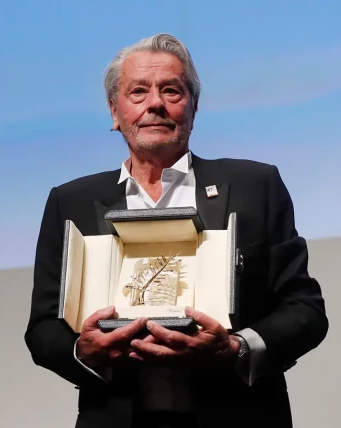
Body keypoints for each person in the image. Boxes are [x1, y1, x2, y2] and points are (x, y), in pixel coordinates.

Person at [24, 34, 328, 428]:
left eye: (171, 91)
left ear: (193, 107)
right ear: (114, 111)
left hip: (238, 413)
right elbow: (43, 328)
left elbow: (305, 309)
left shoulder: (256, 185)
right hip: (116, 414)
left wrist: (234, 348)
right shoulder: (72, 202)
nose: (155, 103)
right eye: (138, 92)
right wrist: (84, 350)